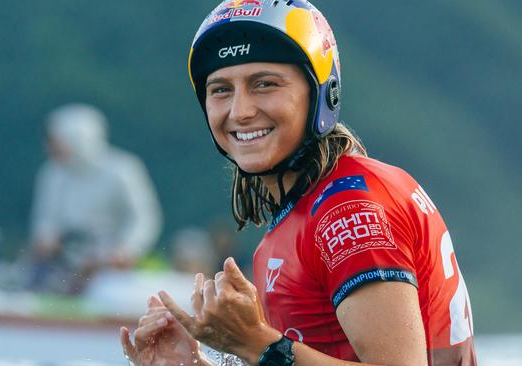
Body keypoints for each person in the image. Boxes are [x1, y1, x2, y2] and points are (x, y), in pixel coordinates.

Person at [120, 1, 476, 365]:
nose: (240, 111)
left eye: (264, 84)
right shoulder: (306, 213)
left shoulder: (348, 210)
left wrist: (256, 343)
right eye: (221, 90)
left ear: (322, 92)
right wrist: (193, 363)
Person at [28, 103, 162, 294]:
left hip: (110, 263)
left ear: (78, 140)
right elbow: (44, 220)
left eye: (58, 141)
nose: (51, 148)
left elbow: (144, 216)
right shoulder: (52, 173)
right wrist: (47, 239)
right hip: (64, 263)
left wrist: (128, 249)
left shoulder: (123, 169)